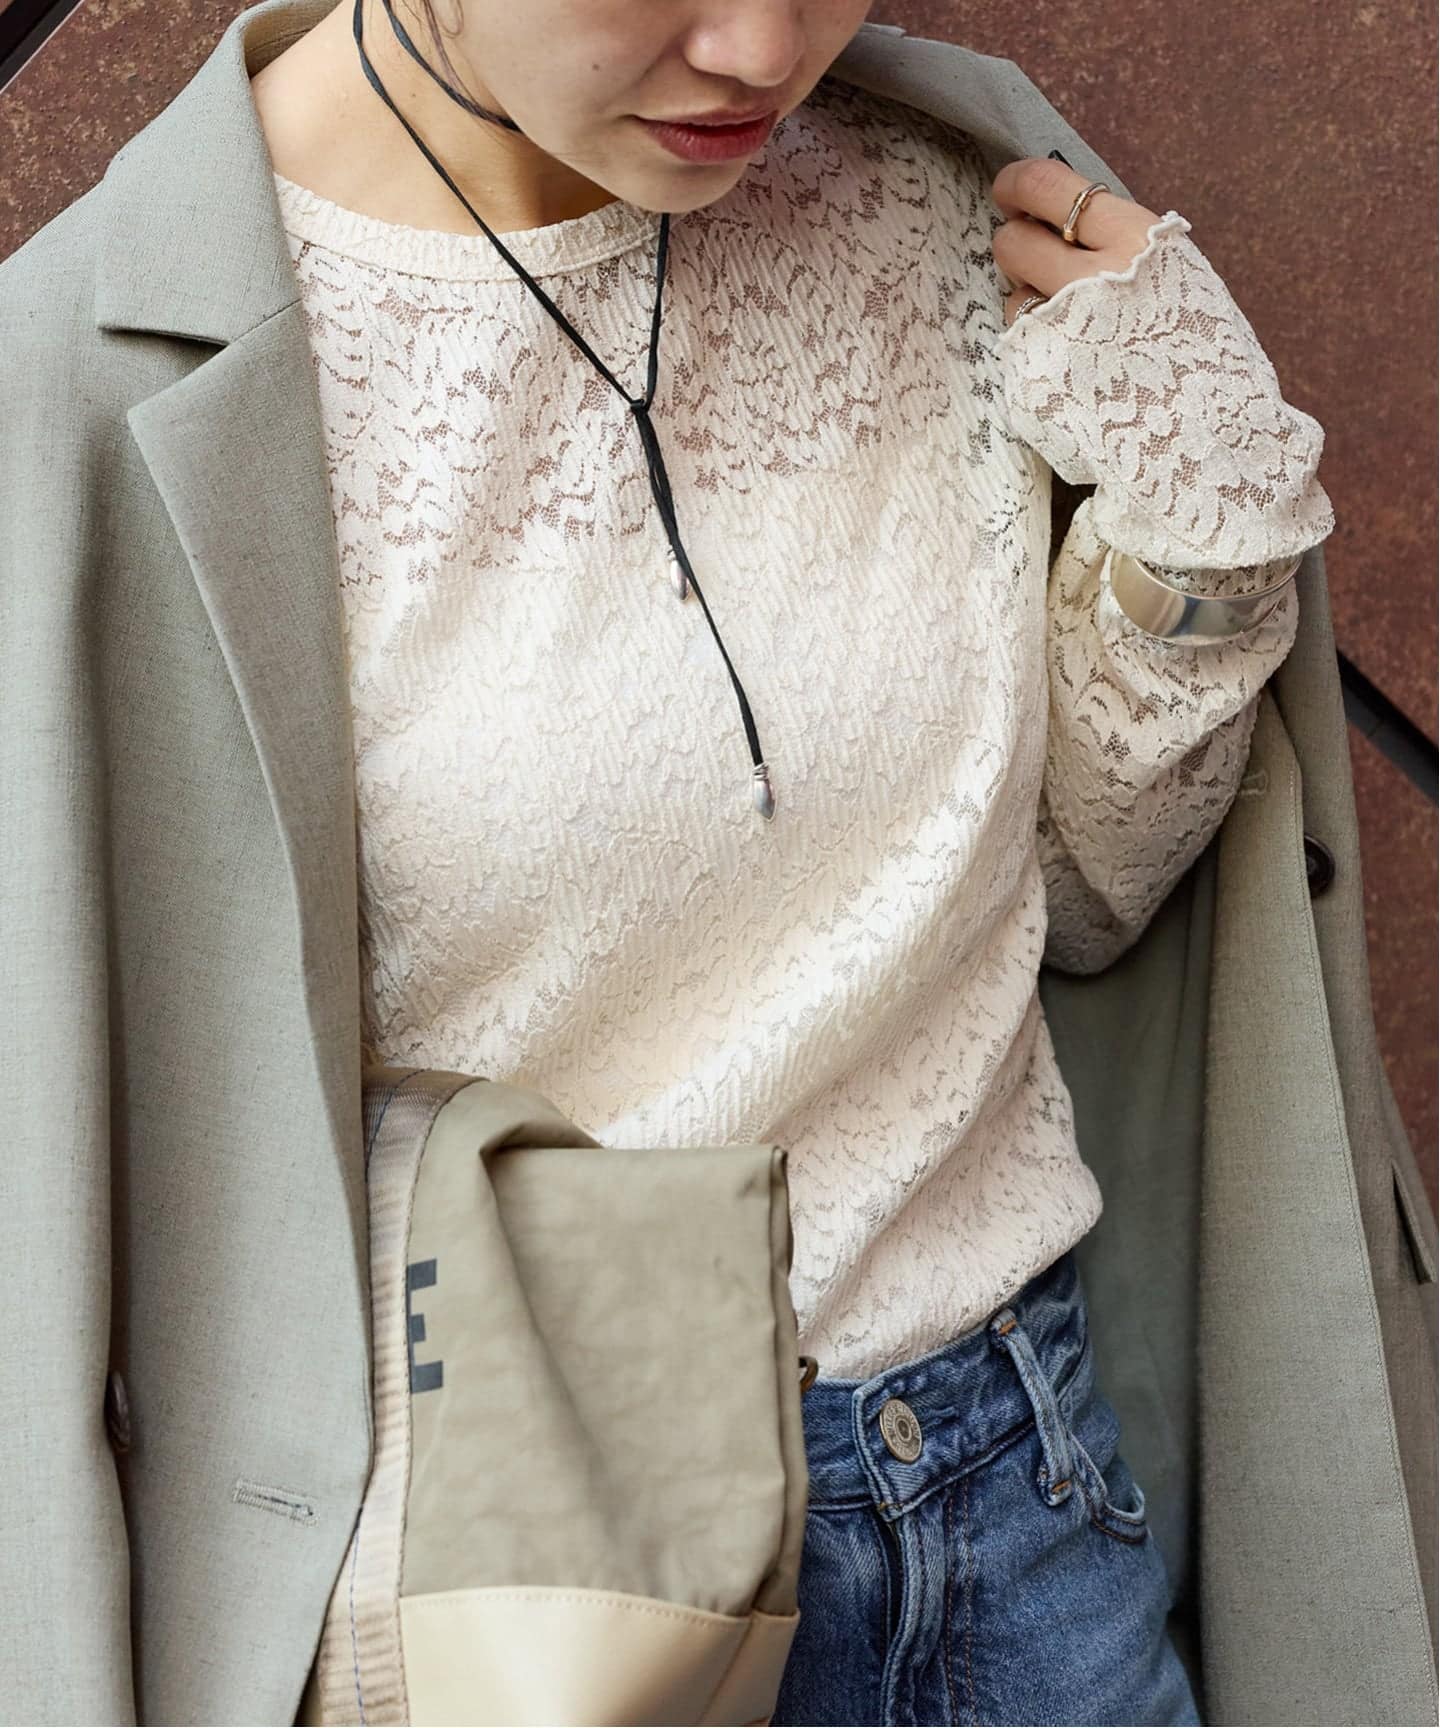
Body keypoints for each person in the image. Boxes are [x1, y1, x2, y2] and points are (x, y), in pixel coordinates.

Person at [10, 0, 1341, 1721]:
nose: (761, 49)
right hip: (529, 1597)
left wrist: (1191, 551)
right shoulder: (85, 396)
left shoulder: (951, 190)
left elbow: (1079, 900)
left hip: (1027, 1496)